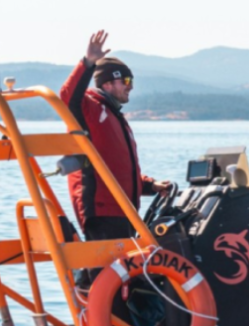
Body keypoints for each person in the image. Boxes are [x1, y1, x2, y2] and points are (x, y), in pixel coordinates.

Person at [59, 30, 171, 242]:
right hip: (102, 214)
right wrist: (88, 62)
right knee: (114, 272)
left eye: (132, 81)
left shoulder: (115, 116)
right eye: (126, 80)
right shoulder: (89, 109)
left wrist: (150, 185)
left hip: (123, 212)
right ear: (108, 83)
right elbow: (67, 97)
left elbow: (117, 169)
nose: (130, 87)